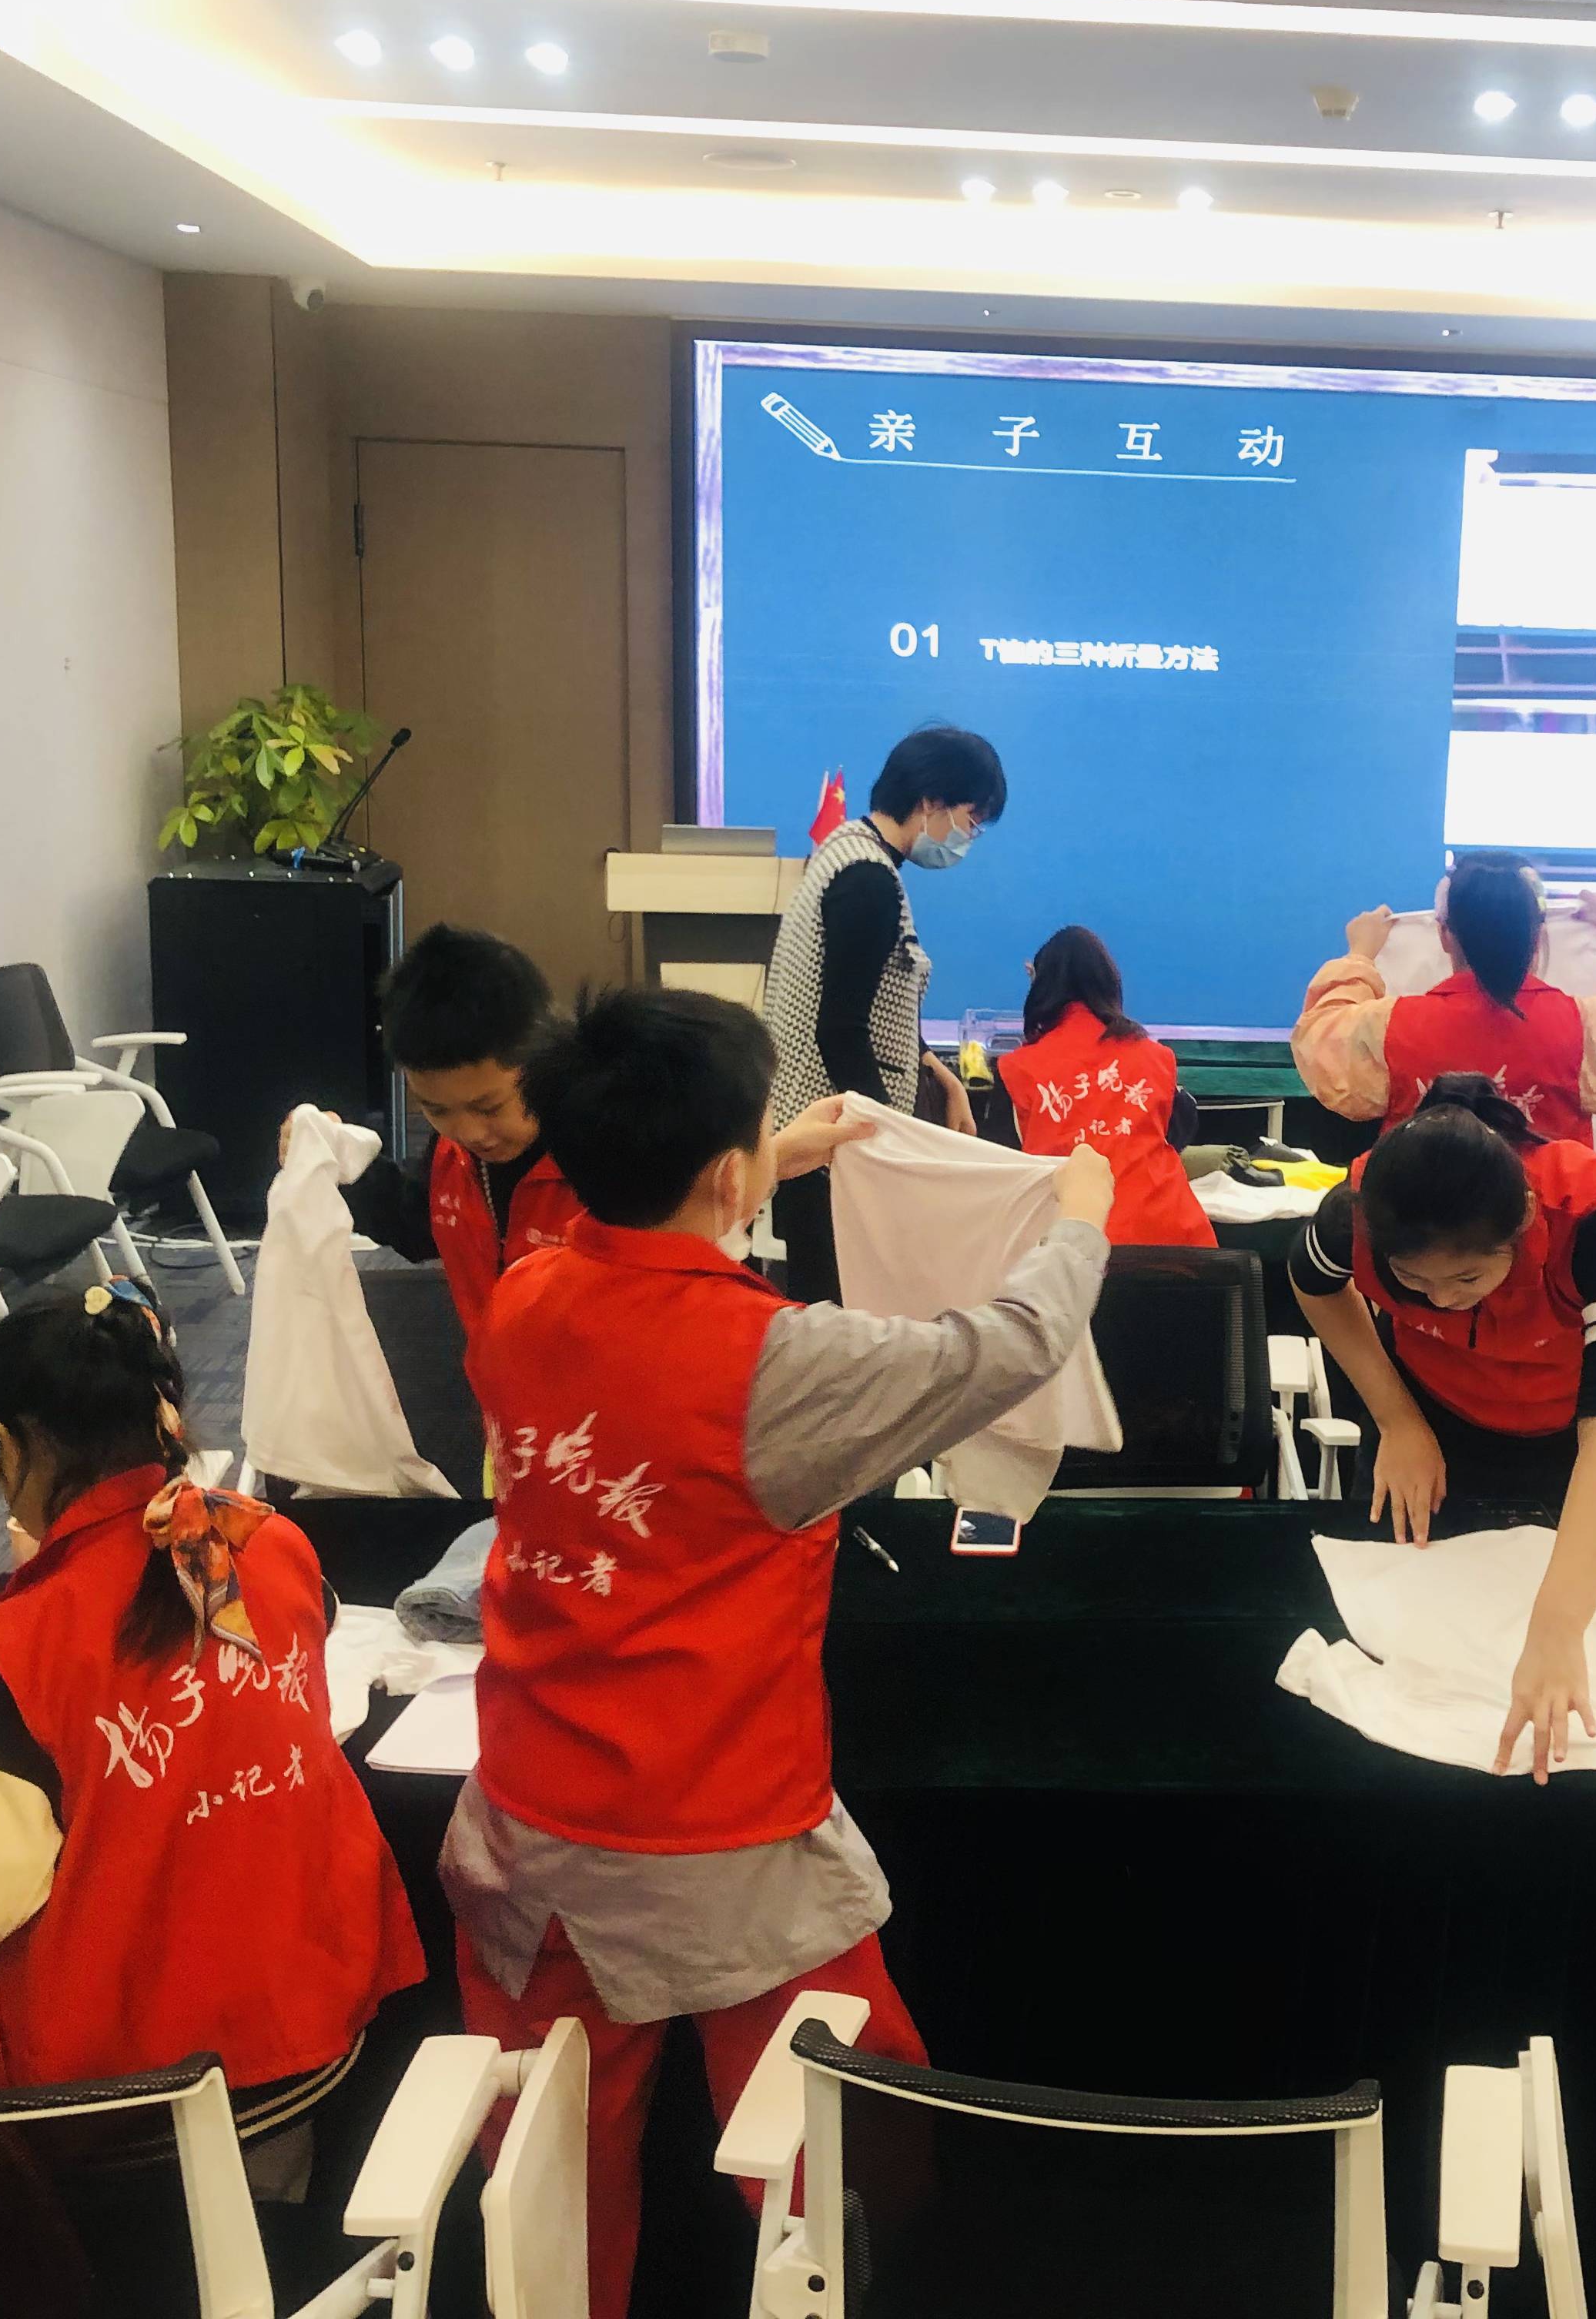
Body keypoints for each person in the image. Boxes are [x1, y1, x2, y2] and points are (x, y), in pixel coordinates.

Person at [446, 986, 1113, 2317]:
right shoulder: (777, 1362)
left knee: (548, 2172)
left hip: (526, 1815)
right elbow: (1006, 1345)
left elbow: (635, 1298)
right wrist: (1081, 1217)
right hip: (718, 1835)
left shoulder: (526, 1291)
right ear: (723, 1171)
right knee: (854, 2128)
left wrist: (770, 1158)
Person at [0, 1280, 420, 2149]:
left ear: (11, 1446)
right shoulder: (267, 1542)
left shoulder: (24, 1645)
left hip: (130, 2093)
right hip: (323, 2025)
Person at [1288, 1074, 1596, 1783]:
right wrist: (1398, 1421)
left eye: (1466, 1279)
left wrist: (1556, 1632)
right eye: (1414, 1281)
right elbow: (1312, 1281)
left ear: (1524, 1218)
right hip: (1432, 1422)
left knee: (1590, 1638)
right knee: (1404, 1636)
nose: (1441, 1300)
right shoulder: (1362, 1206)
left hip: (1569, 1441)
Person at [762, 724, 1009, 1301]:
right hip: (831, 1151)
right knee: (842, 1317)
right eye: (971, 819)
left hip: (823, 1140)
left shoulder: (847, 853)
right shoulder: (868, 880)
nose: (968, 837)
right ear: (931, 802)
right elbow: (841, 1031)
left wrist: (939, 1072)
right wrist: (888, 1143)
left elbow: (871, 1005)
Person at [294, 924, 587, 1354]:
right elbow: (423, 1226)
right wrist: (337, 1161)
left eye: (490, 1108)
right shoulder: (455, 1152)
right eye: (437, 1110)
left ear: (548, 1059)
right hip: (498, 1376)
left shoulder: (607, 1155)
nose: (468, 1133)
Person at [1291, 852, 1596, 1143]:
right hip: (1555, 1225)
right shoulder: (1582, 1027)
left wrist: (1359, 955)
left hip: (1418, 1223)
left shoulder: (1390, 1028)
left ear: (1444, 934)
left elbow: (1321, 1033)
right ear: (1538, 934)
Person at [998, 927, 1213, 1248]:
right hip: (1176, 1248)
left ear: (1041, 988)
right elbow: (1177, 1134)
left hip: (1069, 1249)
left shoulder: (1018, 1069)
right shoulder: (1155, 1057)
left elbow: (1007, 1174)